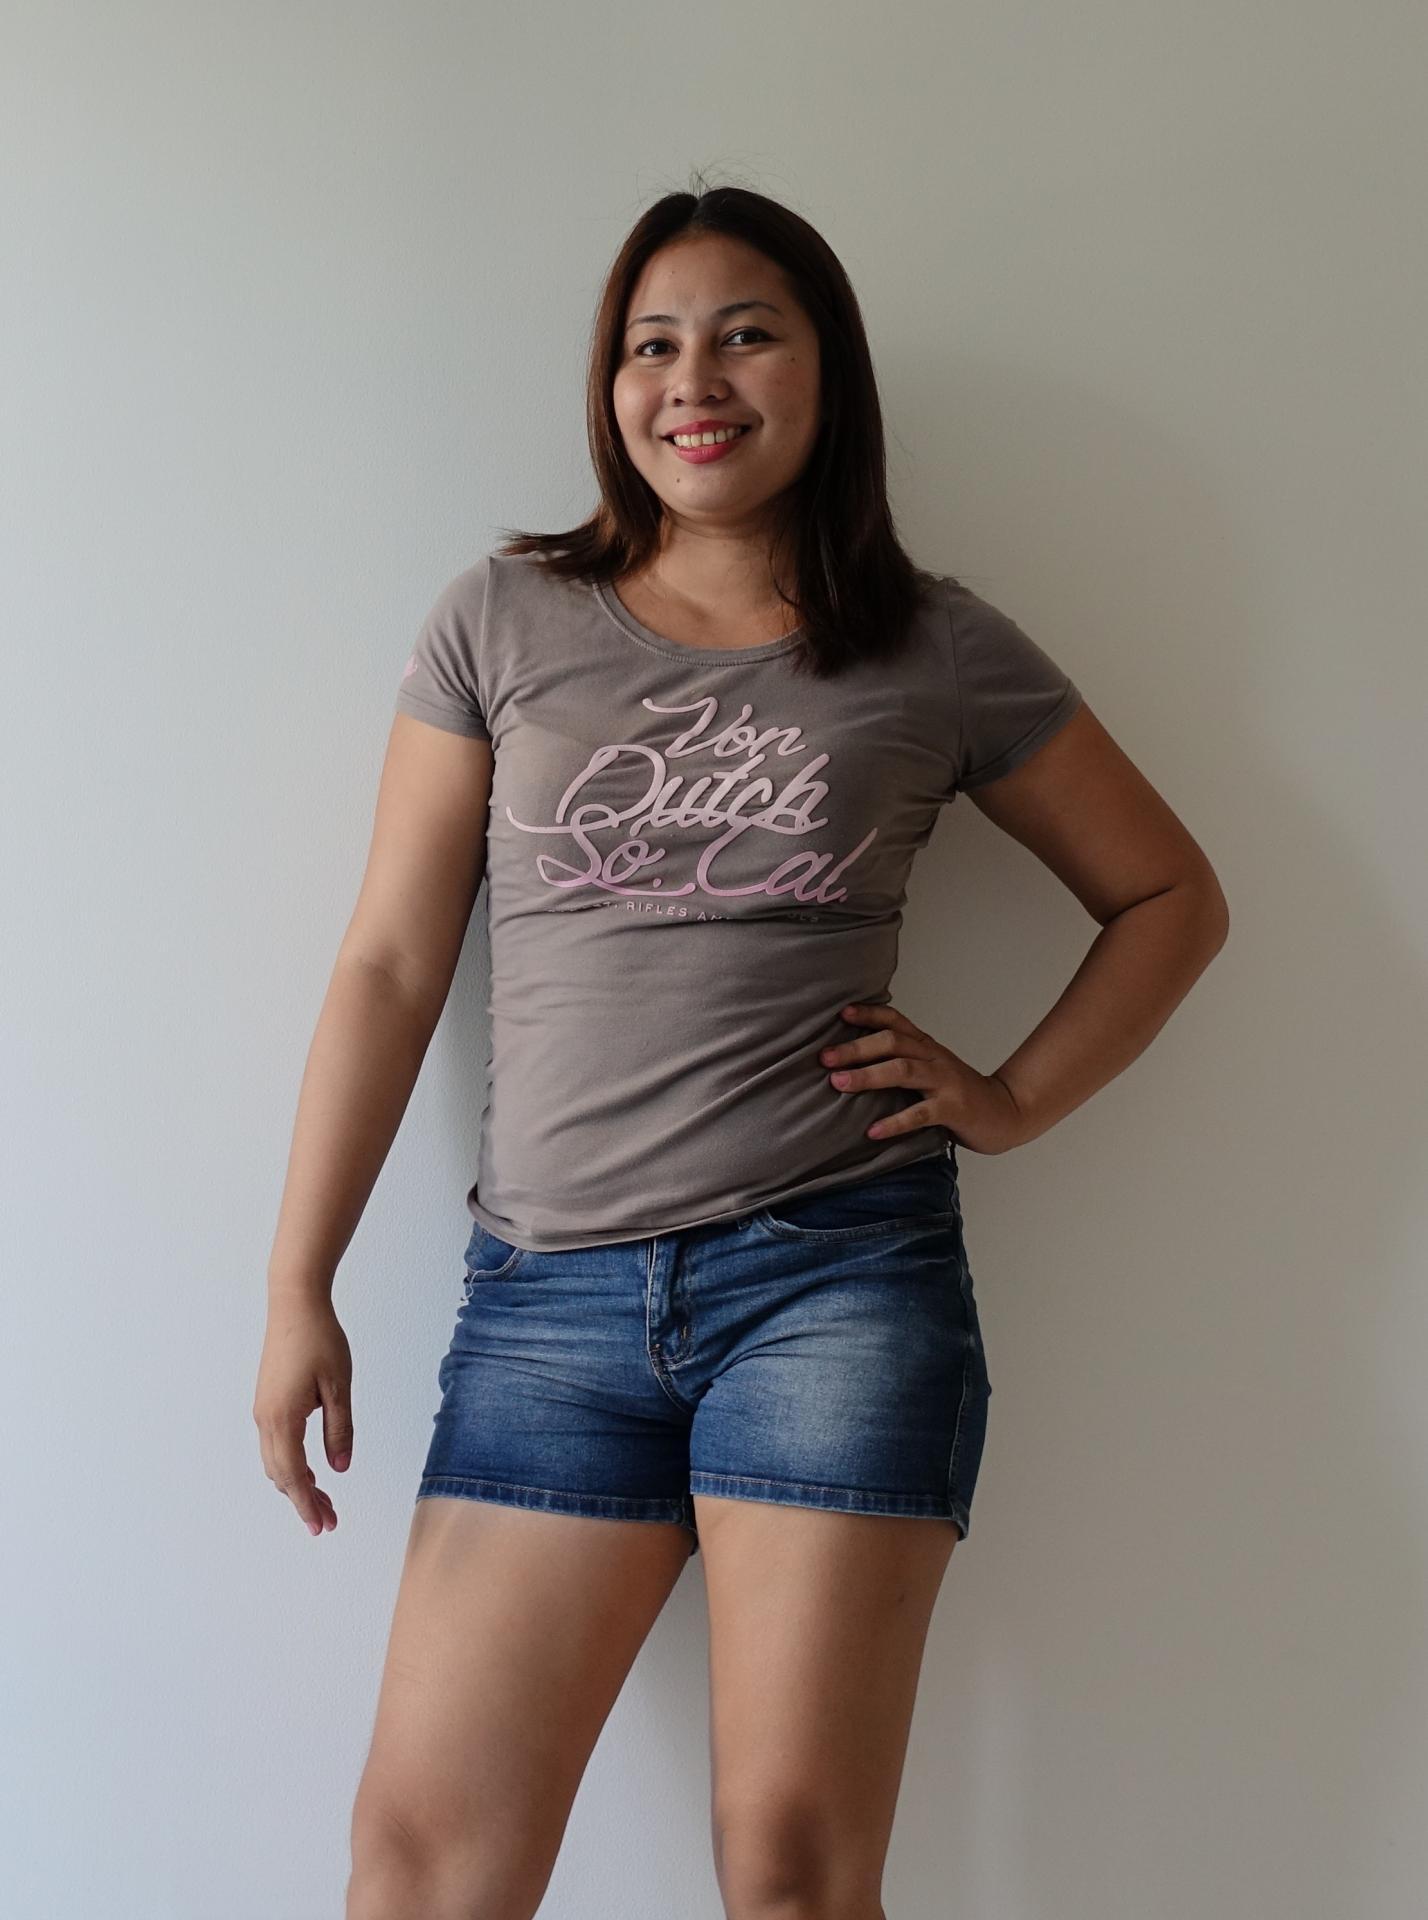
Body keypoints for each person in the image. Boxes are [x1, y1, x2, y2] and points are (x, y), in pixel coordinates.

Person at [254, 181, 1229, 1920]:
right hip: (548, 1305)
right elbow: (394, 964)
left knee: (790, 1873)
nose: (691, 380)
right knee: (422, 1872)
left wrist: (1010, 1100)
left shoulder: (936, 646)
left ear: (824, 369)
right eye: (651, 344)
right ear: (611, 385)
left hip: (835, 1288)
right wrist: (296, 1285)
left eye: (744, 334)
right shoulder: (504, 618)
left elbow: (1169, 896)